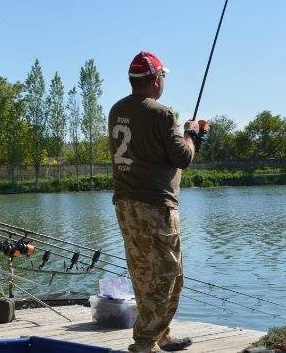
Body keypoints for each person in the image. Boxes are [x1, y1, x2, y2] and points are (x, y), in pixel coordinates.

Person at [108, 51, 209, 353]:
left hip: (125, 205)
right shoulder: (161, 114)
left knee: (142, 273)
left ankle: (160, 335)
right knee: (169, 276)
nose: (163, 81)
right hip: (155, 207)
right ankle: (144, 342)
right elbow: (183, 157)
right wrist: (193, 134)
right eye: (163, 76)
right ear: (155, 80)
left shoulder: (117, 109)